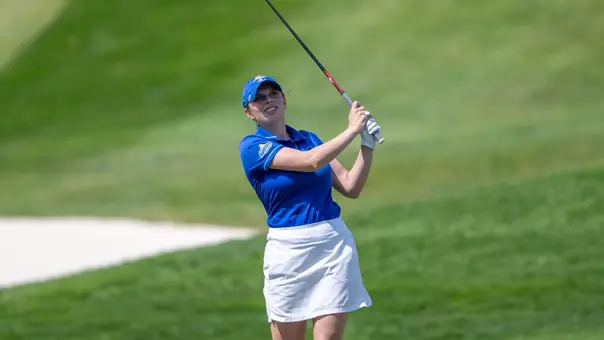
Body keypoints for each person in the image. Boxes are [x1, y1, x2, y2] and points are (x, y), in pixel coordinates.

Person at [238, 75, 381, 340]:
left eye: (274, 93)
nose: (268, 99)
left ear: (284, 99)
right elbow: (311, 162)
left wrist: (366, 144)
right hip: (288, 253)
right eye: (259, 98)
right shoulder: (252, 147)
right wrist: (351, 130)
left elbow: (351, 186)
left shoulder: (309, 139)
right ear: (249, 112)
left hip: (332, 247)